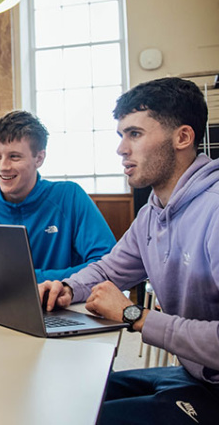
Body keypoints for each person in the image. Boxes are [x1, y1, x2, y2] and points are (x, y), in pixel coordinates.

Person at [40, 78, 219, 424]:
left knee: (85, 418)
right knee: (68, 394)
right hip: (195, 376)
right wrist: (66, 288)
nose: (122, 149)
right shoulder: (152, 213)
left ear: (182, 137)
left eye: (134, 134)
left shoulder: (214, 209)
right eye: (121, 135)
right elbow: (108, 269)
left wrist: (135, 316)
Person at [0, 110, 115, 282]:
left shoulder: (69, 197)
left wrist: (30, 279)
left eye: (14, 157)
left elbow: (107, 265)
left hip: (60, 307)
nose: (3, 167)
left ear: (39, 158)